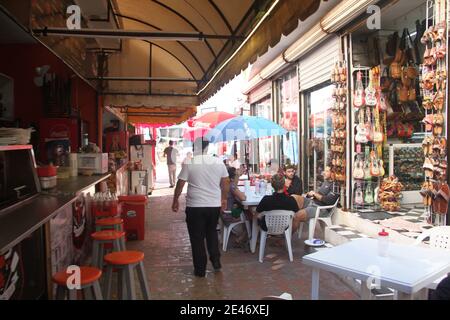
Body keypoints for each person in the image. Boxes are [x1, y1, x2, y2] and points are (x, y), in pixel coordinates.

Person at [172, 138, 230, 277]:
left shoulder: (190, 163)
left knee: (197, 238)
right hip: (213, 206)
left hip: (195, 207)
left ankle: (200, 270)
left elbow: (180, 183)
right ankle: (216, 262)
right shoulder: (218, 162)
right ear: (207, 148)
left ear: (194, 148)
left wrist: (175, 200)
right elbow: (226, 181)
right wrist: (223, 199)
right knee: (211, 233)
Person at [290, 166, 339, 232]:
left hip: (321, 209)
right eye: (325, 170)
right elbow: (318, 194)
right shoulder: (325, 182)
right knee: (293, 197)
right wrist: (310, 194)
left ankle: (286, 238)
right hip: (313, 202)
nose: (324, 173)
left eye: (327, 171)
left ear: (333, 173)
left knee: (297, 216)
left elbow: (329, 201)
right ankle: (286, 217)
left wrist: (314, 194)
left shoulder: (335, 185)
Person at [221, 166, 248, 246]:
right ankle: (243, 237)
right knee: (251, 216)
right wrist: (242, 194)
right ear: (232, 178)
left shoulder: (223, 183)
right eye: (237, 176)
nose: (238, 177)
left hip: (222, 212)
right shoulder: (231, 185)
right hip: (228, 215)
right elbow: (243, 198)